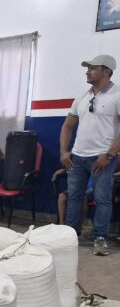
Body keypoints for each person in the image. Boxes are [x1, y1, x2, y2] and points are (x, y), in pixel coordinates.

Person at [60, 54, 120, 256]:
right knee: (74, 198)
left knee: (102, 199)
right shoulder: (83, 97)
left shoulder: (117, 95)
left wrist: (110, 154)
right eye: (88, 68)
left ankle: (100, 239)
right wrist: (64, 151)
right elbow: (68, 125)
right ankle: (70, 236)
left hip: (102, 159)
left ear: (107, 71)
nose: (87, 71)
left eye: (92, 68)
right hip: (77, 157)